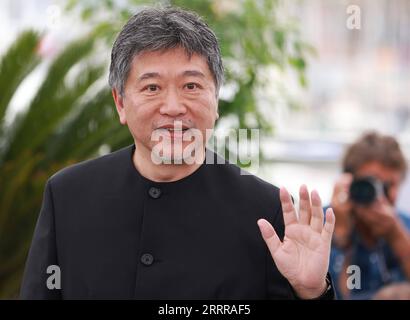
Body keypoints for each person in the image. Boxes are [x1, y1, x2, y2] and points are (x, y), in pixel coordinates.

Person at [20, 7, 335, 299]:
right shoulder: (67, 196)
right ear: (120, 103)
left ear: (216, 100)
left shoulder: (267, 212)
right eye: (152, 88)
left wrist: (312, 293)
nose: (173, 108)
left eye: (192, 86)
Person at [329, 131, 410, 299]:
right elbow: (328, 292)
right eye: (376, 185)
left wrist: (397, 237)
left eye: (393, 185)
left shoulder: (403, 225)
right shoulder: (323, 223)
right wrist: (340, 235)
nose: (390, 195)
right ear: (350, 183)